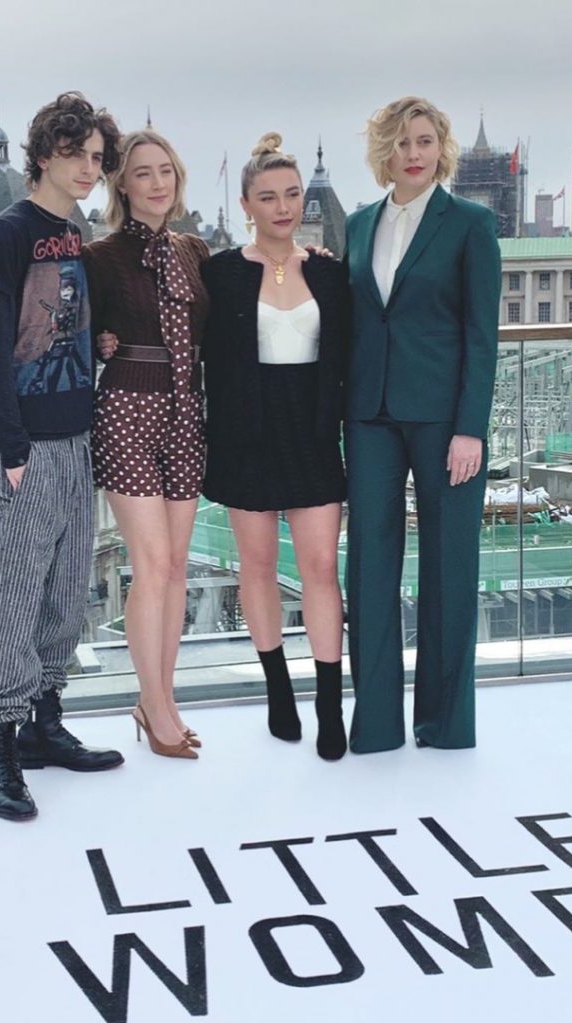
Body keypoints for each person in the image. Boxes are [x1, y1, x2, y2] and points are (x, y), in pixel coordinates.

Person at [0, 92, 124, 822]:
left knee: (67, 589)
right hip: (26, 445)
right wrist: (11, 446)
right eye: (77, 154)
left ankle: (44, 723)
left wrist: (98, 343)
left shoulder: (75, 231)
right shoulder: (6, 232)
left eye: (97, 157)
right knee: (16, 594)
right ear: (43, 155)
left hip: (75, 433)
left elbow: (68, 327)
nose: (90, 168)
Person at [344, 96, 501, 753]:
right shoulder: (358, 224)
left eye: (425, 141)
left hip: (444, 422)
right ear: (385, 151)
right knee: (368, 568)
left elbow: (482, 334)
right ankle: (376, 726)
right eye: (403, 142)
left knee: (449, 567)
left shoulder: (469, 223)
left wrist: (471, 428)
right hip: (369, 417)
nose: (414, 153)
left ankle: (444, 723)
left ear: (442, 149)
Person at [203, 134, 348, 760]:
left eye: (291, 194)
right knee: (257, 567)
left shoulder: (330, 272)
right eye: (268, 197)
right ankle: (278, 692)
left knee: (320, 569)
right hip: (245, 433)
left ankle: (329, 706)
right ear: (246, 205)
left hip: (312, 432)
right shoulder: (220, 273)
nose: (283, 207)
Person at [82, 129, 209, 759]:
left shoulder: (195, 251)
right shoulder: (100, 256)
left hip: (188, 413)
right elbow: (70, 335)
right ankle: (153, 705)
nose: (157, 183)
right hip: (128, 411)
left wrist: (305, 257)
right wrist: (98, 341)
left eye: (165, 171)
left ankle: (163, 698)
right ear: (122, 185)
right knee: (153, 564)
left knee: (177, 566)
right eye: (142, 173)